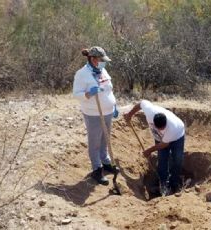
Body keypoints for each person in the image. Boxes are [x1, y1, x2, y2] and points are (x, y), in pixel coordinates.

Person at [73, 46, 119, 185]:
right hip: (93, 113)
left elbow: (109, 89)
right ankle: (97, 169)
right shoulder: (82, 74)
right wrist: (88, 94)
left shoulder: (102, 70)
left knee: (105, 138)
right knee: (95, 142)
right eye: (101, 60)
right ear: (93, 59)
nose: (103, 62)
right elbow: (76, 94)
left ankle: (106, 162)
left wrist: (114, 104)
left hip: (108, 111)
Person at [124, 100, 185, 196]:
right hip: (160, 139)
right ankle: (163, 183)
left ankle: (175, 182)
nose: (162, 130)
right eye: (159, 129)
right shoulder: (150, 112)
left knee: (177, 159)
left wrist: (149, 150)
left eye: (163, 128)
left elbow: (164, 144)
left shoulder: (172, 128)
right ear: (154, 123)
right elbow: (141, 103)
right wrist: (129, 114)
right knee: (162, 159)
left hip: (177, 137)